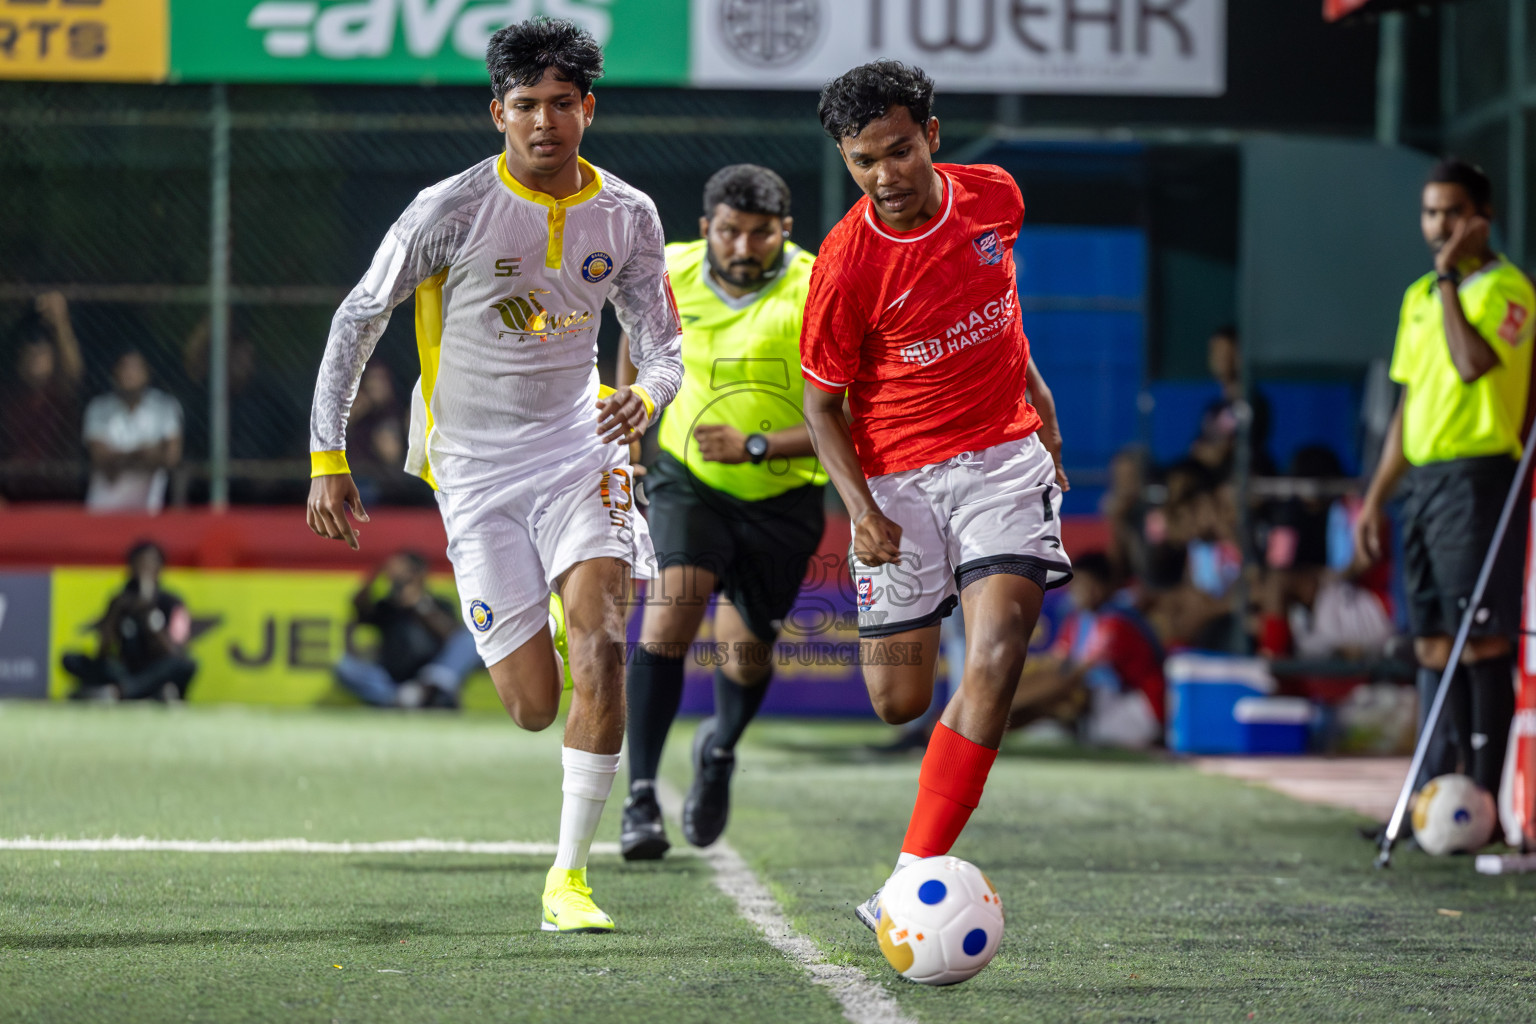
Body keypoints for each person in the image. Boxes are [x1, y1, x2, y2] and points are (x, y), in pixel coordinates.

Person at [304, 18, 681, 934]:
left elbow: (664, 346)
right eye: (525, 106)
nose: (544, 121)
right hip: (471, 471)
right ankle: (554, 614)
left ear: (588, 108)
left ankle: (569, 880)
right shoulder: (450, 210)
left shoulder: (627, 215)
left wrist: (651, 399)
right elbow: (358, 319)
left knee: (600, 649)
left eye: (562, 104)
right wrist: (328, 456)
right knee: (530, 705)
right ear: (496, 112)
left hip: (578, 449)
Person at [799, 61, 1072, 933]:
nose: (887, 175)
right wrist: (864, 513)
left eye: (901, 150)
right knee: (898, 702)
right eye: (864, 160)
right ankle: (922, 844)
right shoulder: (845, 267)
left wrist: (1043, 409)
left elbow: (998, 303)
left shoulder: (996, 196)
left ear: (934, 137)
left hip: (1001, 457)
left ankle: (910, 876)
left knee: (995, 655)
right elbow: (819, 405)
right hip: (897, 482)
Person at [617, 164, 824, 859]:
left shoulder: (816, 288)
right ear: (707, 228)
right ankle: (640, 796)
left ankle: (720, 749)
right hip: (688, 478)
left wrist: (757, 445)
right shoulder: (668, 271)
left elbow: (848, 413)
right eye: (730, 231)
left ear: (783, 232)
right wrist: (632, 429)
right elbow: (636, 343)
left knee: (743, 653)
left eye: (760, 233)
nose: (744, 245)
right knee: (670, 615)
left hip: (784, 493)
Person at [1354, 158, 1535, 812]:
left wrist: (1452, 281)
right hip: (1424, 485)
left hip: (1479, 477)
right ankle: (1433, 796)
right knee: (1431, 639)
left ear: (1482, 218)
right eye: (1431, 213)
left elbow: (1470, 364)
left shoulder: (1505, 289)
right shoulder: (1419, 296)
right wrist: (1376, 499)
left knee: (1480, 638)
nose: (1439, 225)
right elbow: (1411, 405)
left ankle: (1481, 801)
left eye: (1453, 212)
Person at [1009, 552, 1164, 749]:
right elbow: (1056, 662)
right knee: (1047, 683)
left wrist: (1020, 699)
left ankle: (1001, 715)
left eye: (1086, 584)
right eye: (1076, 585)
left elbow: (1073, 676)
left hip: (1141, 709)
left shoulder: (1117, 622)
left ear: (1106, 586)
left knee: (1068, 690)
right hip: (1105, 705)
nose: (1079, 592)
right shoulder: (1076, 621)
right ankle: (1003, 716)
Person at [335, 551, 482, 709]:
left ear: (419, 574)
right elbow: (359, 606)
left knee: (469, 640)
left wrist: (419, 606)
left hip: (431, 675)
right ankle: (404, 698)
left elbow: (453, 637)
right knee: (346, 667)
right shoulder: (387, 606)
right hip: (392, 679)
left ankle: (425, 692)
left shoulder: (439, 604)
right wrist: (377, 574)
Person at [62, 541, 197, 702]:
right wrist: (114, 615)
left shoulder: (172, 602)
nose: (145, 568)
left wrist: (149, 616)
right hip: (125, 669)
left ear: (160, 568)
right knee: (71, 659)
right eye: (140, 563)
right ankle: (151, 694)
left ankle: (119, 693)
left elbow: (173, 652)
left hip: (156, 667)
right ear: (130, 567)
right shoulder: (120, 600)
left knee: (185, 665)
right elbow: (103, 652)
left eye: (151, 563)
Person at [1, 291, 84, 498]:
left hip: (57, 492)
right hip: (12, 493)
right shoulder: (8, 397)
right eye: (29, 354)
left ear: (54, 358)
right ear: (18, 360)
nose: (35, 359)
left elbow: (73, 373)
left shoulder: (59, 394)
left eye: (41, 353)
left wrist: (60, 322)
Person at [83, 349, 184, 513]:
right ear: (114, 372)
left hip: (149, 509)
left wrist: (119, 458)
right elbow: (100, 458)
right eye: (125, 367)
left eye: (135, 368)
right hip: (102, 509)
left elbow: (171, 457)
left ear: (147, 373)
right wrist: (144, 454)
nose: (129, 374)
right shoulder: (98, 407)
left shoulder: (166, 407)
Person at [1190, 325, 1274, 480]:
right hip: (1208, 481)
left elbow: (1239, 448)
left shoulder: (1254, 404)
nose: (1218, 359)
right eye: (1214, 352)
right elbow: (1196, 448)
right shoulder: (1213, 408)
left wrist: (1219, 451)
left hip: (1240, 483)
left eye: (1225, 352)